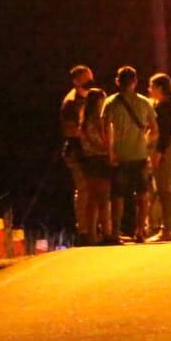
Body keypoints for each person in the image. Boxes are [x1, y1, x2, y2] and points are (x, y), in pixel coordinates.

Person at [102, 66, 157, 242]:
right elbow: (155, 130)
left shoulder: (110, 102)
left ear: (118, 81)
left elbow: (105, 129)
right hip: (140, 155)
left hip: (119, 156)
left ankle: (115, 232)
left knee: (117, 196)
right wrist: (144, 142)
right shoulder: (145, 102)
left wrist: (110, 152)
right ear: (135, 82)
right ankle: (140, 231)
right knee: (142, 195)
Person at [77, 89, 115, 245]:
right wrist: (111, 150)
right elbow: (99, 142)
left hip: (90, 160)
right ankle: (105, 233)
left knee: (94, 199)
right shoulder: (94, 121)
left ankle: (93, 233)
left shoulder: (85, 121)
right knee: (102, 198)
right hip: (99, 160)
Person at [60, 65, 94, 233]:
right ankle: (84, 229)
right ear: (76, 81)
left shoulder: (90, 97)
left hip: (91, 151)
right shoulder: (71, 102)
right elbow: (69, 130)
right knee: (83, 190)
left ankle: (95, 227)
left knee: (94, 190)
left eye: (90, 79)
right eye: (85, 80)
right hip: (77, 152)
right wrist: (87, 133)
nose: (90, 83)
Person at [147, 73, 171, 241]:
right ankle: (170, 228)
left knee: (165, 189)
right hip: (167, 146)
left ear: (159, 88)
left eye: (151, 86)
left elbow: (165, 132)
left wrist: (158, 152)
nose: (149, 90)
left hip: (165, 148)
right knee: (166, 189)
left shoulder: (165, 106)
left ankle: (169, 229)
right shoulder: (166, 105)